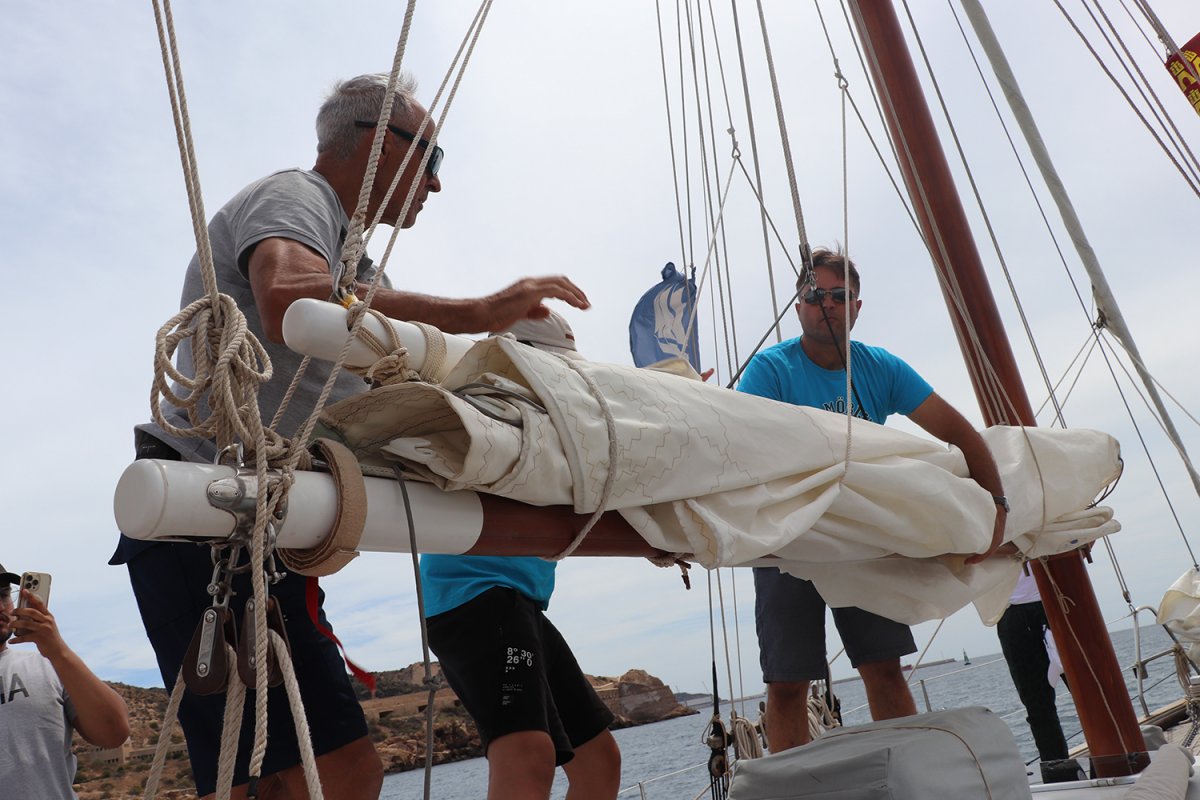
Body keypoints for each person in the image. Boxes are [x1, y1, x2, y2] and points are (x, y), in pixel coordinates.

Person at [110, 72, 590, 799]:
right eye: (430, 159)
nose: (434, 185)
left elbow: (372, 368)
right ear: (374, 144)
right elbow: (289, 299)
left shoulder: (353, 260)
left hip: (267, 527)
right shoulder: (296, 199)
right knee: (284, 780)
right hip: (203, 521)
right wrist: (480, 310)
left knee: (336, 775)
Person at [736, 248, 1007, 752]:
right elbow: (737, 449)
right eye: (815, 296)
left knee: (884, 669)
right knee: (788, 683)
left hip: (862, 538)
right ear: (797, 306)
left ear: (858, 307)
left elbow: (962, 436)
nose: (828, 305)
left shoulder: (881, 368)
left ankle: (910, 779)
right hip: (787, 541)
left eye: (840, 296)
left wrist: (998, 507)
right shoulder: (769, 372)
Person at [421, 311, 621, 800]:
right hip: (473, 598)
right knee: (530, 754)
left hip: (518, 603)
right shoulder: (488, 412)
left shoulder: (565, 429)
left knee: (599, 761)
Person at [0, 564, 131, 795]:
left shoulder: (49, 665)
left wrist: (58, 650)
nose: (1, 606)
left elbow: (114, 733)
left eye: (3, 595)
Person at [997, 568, 1082, 783]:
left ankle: (1117, 757)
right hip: (1010, 613)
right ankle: (1061, 779)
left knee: (1088, 689)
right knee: (1038, 706)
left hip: (1057, 600)